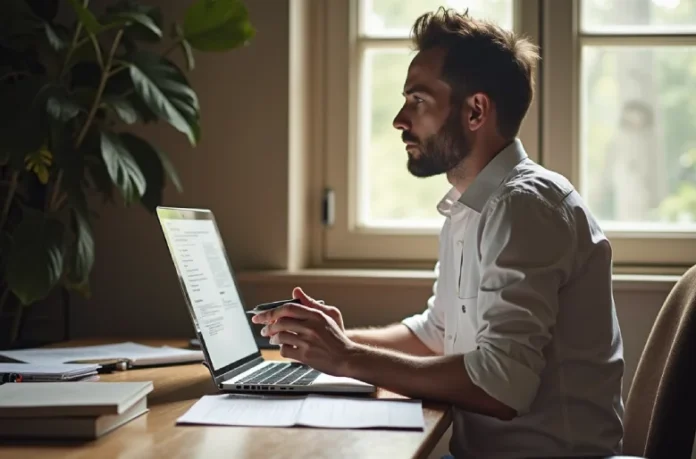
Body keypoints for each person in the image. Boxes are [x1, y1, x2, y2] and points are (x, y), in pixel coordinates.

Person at [252, 7, 624, 458]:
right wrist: (339, 337)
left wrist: (348, 358)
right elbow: (436, 333)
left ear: (476, 110)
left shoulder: (524, 207)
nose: (399, 119)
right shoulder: (470, 207)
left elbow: (502, 387)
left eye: (418, 100)